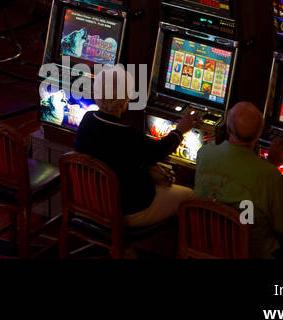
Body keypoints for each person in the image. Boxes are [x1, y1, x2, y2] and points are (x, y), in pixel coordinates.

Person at [74, 65, 201, 227]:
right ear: (125, 100)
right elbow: (158, 151)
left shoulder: (87, 119)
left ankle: (124, 248)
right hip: (125, 210)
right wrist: (180, 130)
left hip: (90, 202)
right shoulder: (126, 135)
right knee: (189, 195)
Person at [195, 102, 283, 258]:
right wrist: (270, 165)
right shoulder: (269, 175)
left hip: (205, 242)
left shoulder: (204, 153)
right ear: (260, 133)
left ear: (228, 128)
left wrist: (268, 166)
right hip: (250, 252)